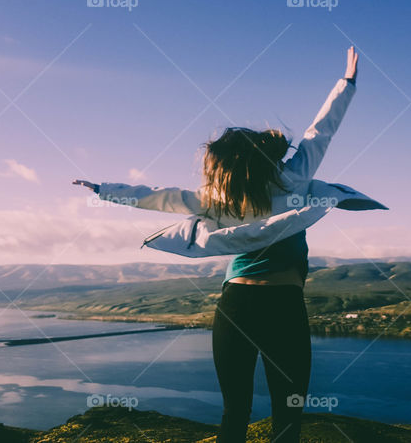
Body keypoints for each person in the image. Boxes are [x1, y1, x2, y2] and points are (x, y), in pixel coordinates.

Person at [74, 46, 385, 442]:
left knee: (234, 411)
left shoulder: (223, 200)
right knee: (287, 414)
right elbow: (320, 132)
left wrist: (105, 190)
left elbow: (161, 196)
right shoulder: (295, 179)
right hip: (284, 306)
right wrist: (347, 83)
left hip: (235, 307)